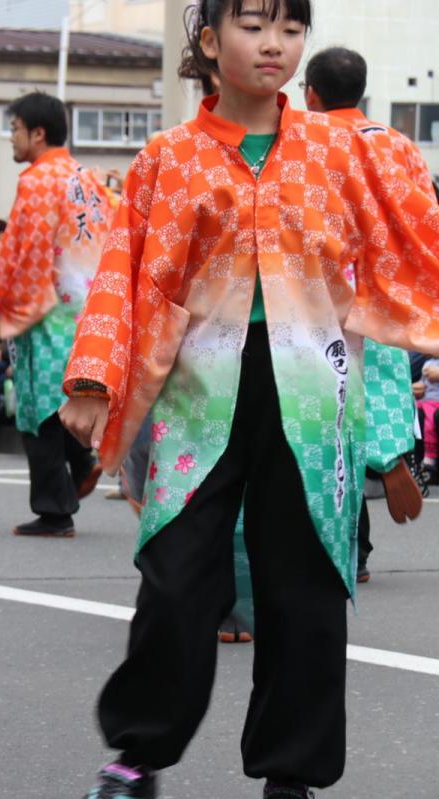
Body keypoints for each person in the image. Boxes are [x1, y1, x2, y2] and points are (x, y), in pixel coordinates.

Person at [59, 2, 439, 796]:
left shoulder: (342, 151)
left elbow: (414, 240)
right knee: (175, 571)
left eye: (291, 29)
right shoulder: (168, 157)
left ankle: (291, 774)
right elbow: (124, 271)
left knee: (304, 583)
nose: (275, 45)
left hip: (313, 390)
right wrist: (94, 377)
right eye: (254, 25)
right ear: (208, 39)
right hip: (199, 390)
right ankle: (137, 753)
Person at [303, 45, 430, 579]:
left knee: (327, 419)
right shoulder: (399, 144)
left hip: (327, 296)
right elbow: (425, 219)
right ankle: (388, 450)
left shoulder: (306, 141)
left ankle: (342, 545)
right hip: (386, 295)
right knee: (376, 392)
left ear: (311, 94)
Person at [0, 91, 107, 537]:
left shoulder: (37, 181)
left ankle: (55, 509)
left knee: (39, 406)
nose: (11, 137)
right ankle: (82, 462)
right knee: (64, 396)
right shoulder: (87, 178)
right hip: (88, 308)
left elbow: (25, 250)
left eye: (14, 129)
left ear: (37, 133)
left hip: (48, 309)